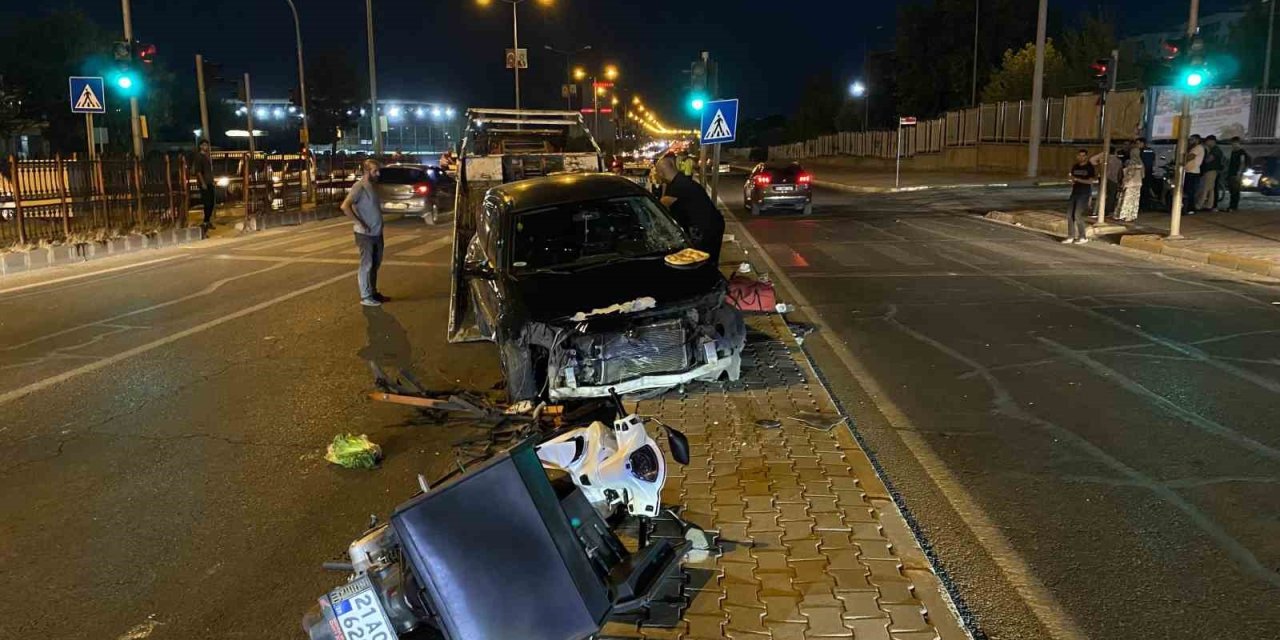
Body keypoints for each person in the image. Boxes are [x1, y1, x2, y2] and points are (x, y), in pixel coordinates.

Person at [655, 154, 724, 262]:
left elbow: (660, 208)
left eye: (657, 173)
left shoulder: (678, 186)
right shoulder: (680, 180)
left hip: (705, 229)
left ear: (661, 173)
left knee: (699, 262)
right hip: (711, 224)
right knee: (707, 261)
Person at [341, 158, 388, 307]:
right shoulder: (359, 186)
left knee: (375, 264)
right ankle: (366, 296)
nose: (378, 173)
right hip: (365, 235)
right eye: (375, 171)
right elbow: (345, 206)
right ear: (367, 171)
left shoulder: (372, 186)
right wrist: (359, 222)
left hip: (376, 232)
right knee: (366, 265)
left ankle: (373, 292)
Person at [1065, 149, 1098, 245]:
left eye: (1083, 156)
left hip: (1084, 193)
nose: (1081, 157)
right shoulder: (1075, 166)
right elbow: (1072, 178)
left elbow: (1090, 181)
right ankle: (1071, 236)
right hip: (1075, 192)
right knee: (1069, 215)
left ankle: (1082, 236)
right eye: (1079, 155)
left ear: (1086, 157)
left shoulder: (1089, 168)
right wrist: (1071, 180)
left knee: (1077, 215)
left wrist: (1077, 179)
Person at [1114, 149, 1144, 223]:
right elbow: (1143, 175)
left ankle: (1124, 215)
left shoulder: (1130, 162)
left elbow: (1129, 174)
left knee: (1126, 200)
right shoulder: (1141, 163)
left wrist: (1124, 182)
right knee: (1134, 201)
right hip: (1138, 184)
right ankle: (1132, 216)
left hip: (1130, 184)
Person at [192, 139, 216, 228]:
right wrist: (203, 183)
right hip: (204, 183)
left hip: (209, 183)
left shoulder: (206, 156)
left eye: (207, 145)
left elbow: (209, 171)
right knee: (207, 203)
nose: (206, 147)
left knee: (212, 203)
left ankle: (207, 220)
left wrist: (212, 181)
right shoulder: (199, 157)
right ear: (201, 146)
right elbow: (198, 172)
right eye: (204, 145)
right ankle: (205, 222)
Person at [1223, 136, 1251, 212]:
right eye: (1232, 144)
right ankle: (1232, 206)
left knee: (1235, 191)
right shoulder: (1233, 151)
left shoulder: (1241, 152)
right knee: (1232, 190)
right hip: (1231, 173)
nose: (1233, 145)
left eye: (1234, 143)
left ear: (1238, 143)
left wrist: (1239, 173)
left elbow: (1242, 162)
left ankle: (1233, 207)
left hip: (1236, 173)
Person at [1197, 135, 1223, 212]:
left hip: (1211, 170)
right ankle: (1209, 205)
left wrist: (1204, 157)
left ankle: (1200, 204)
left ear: (1212, 141)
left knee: (1206, 188)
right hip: (1212, 171)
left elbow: (1208, 160)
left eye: (1207, 141)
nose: (1206, 143)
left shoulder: (1215, 150)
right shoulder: (1214, 149)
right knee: (1210, 189)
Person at [1183, 134, 1204, 215]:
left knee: (1190, 191)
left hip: (1193, 172)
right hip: (1189, 171)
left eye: (1192, 139)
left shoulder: (1198, 148)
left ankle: (1191, 208)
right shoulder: (1192, 148)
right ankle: (1188, 207)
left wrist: (1182, 159)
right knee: (1188, 191)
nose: (1190, 141)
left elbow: (1190, 157)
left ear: (1197, 140)